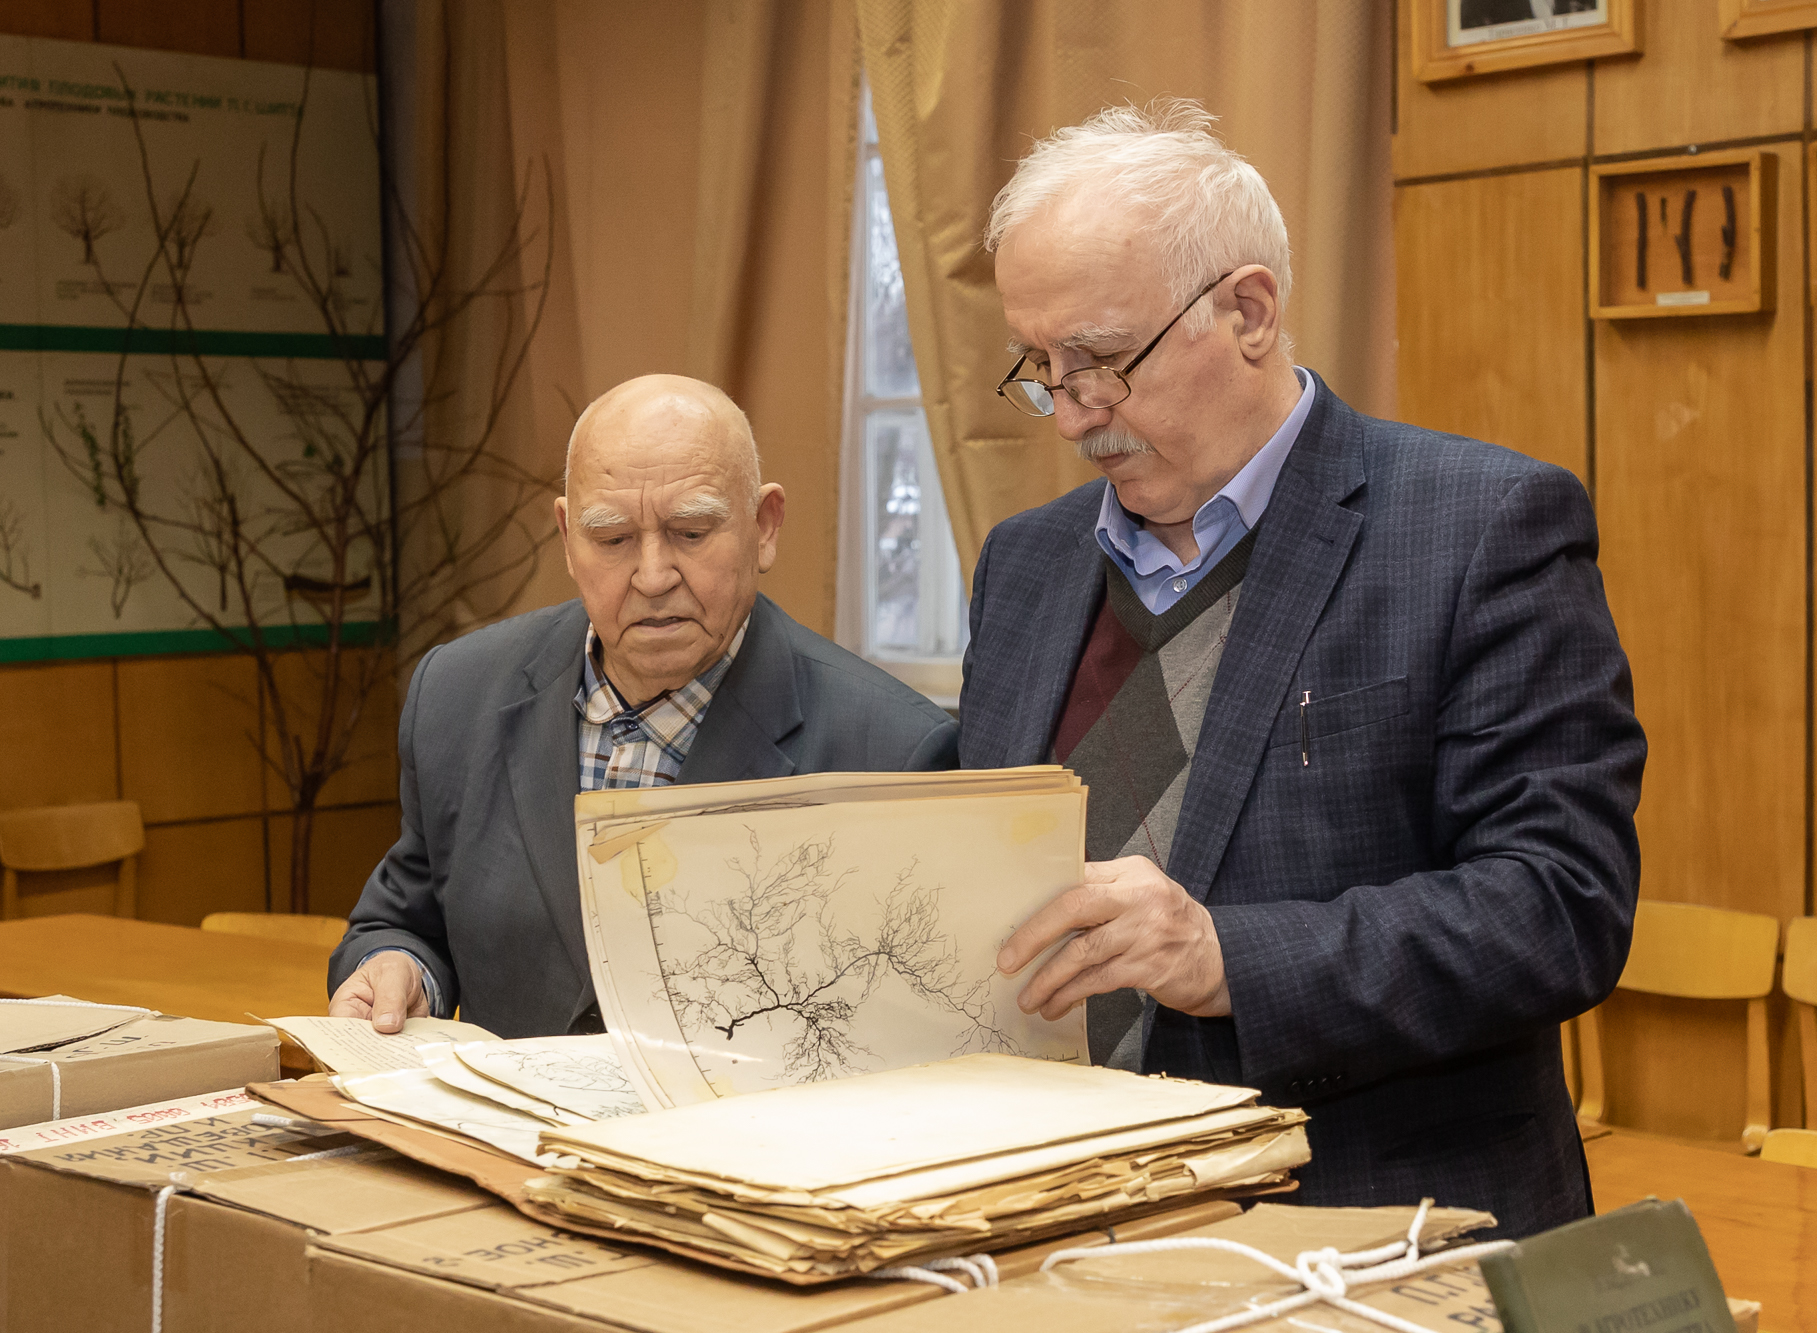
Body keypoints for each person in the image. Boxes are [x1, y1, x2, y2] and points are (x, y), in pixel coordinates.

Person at [968, 102, 1644, 1237]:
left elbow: (1556, 905)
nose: (1074, 415)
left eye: (1103, 361)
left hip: (1371, 1229)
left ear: (1247, 310)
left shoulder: (1480, 528)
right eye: (1042, 368)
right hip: (1055, 1228)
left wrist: (1225, 956)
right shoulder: (1024, 564)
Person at [329, 375, 958, 1037]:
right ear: (568, 536)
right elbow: (405, 920)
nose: (653, 577)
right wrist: (396, 966)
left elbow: (916, 1028)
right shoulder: (458, 695)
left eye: (691, 532)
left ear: (764, 526)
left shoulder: (894, 751)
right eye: (613, 539)